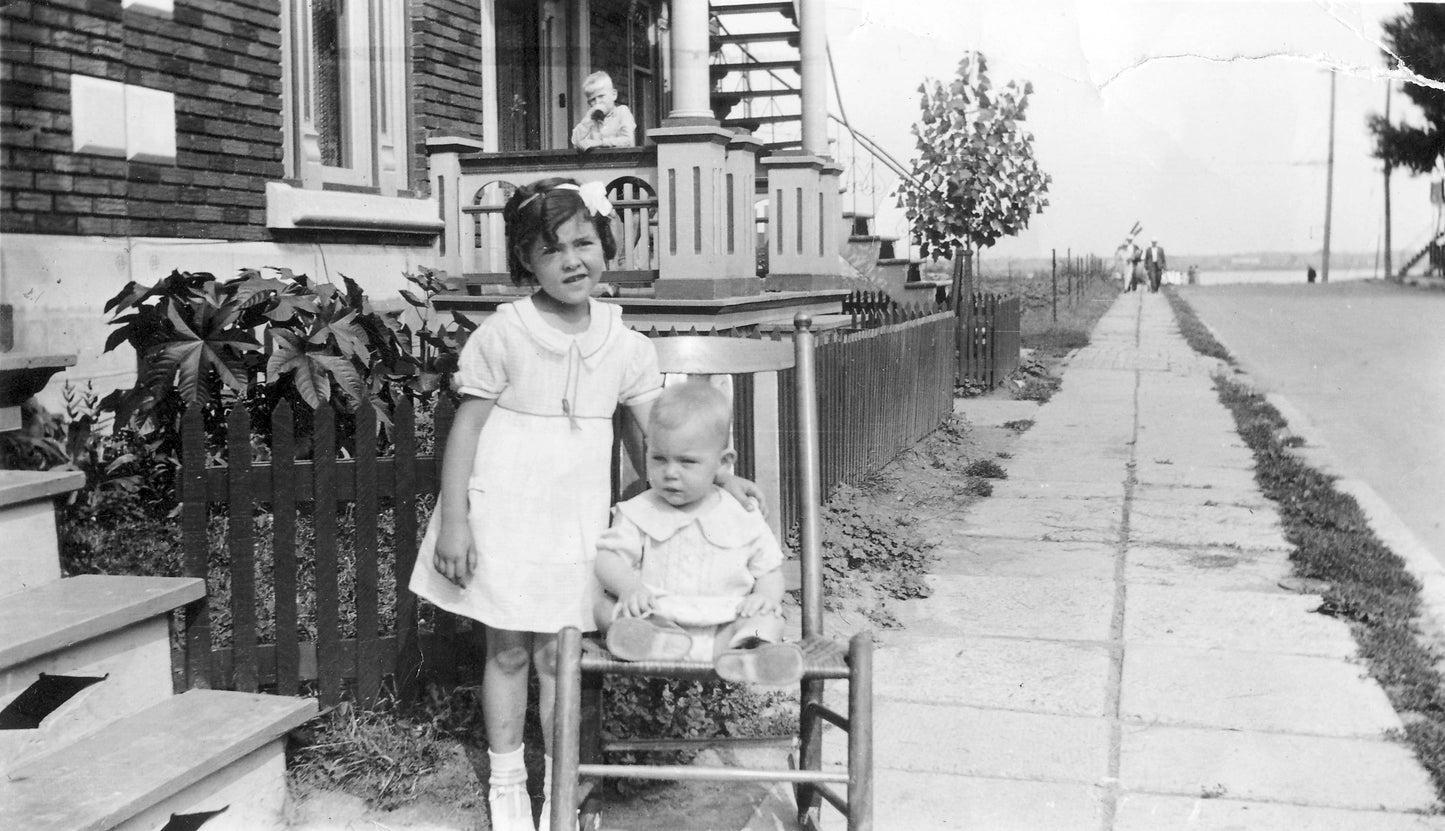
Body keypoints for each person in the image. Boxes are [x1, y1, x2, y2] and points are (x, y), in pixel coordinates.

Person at [407, 177, 761, 831]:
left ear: (605, 247)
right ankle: (507, 781)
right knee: (508, 650)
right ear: (525, 263)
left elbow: (655, 437)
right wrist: (455, 519)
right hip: (504, 511)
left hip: (572, 519)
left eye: (584, 243)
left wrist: (721, 482)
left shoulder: (623, 345)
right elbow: (466, 431)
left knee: (558, 655)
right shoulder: (504, 333)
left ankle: (558, 790)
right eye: (551, 250)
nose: (572, 260)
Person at [593, 380, 804, 687]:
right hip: (658, 618)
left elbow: (768, 570)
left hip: (726, 623)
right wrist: (629, 587)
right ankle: (650, 643)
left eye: (687, 462)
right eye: (659, 458)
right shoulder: (639, 511)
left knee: (766, 619)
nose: (670, 473)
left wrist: (763, 597)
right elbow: (607, 560)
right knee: (606, 608)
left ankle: (751, 652)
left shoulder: (741, 514)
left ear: (723, 463)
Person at [570, 71, 636, 150]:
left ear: (614, 95)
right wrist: (588, 118)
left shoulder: (622, 112)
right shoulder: (592, 119)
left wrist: (600, 143)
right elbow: (575, 141)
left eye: (601, 96)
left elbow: (628, 141)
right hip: (599, 161)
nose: (597, 102)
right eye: (592, 100)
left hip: (621, 160)